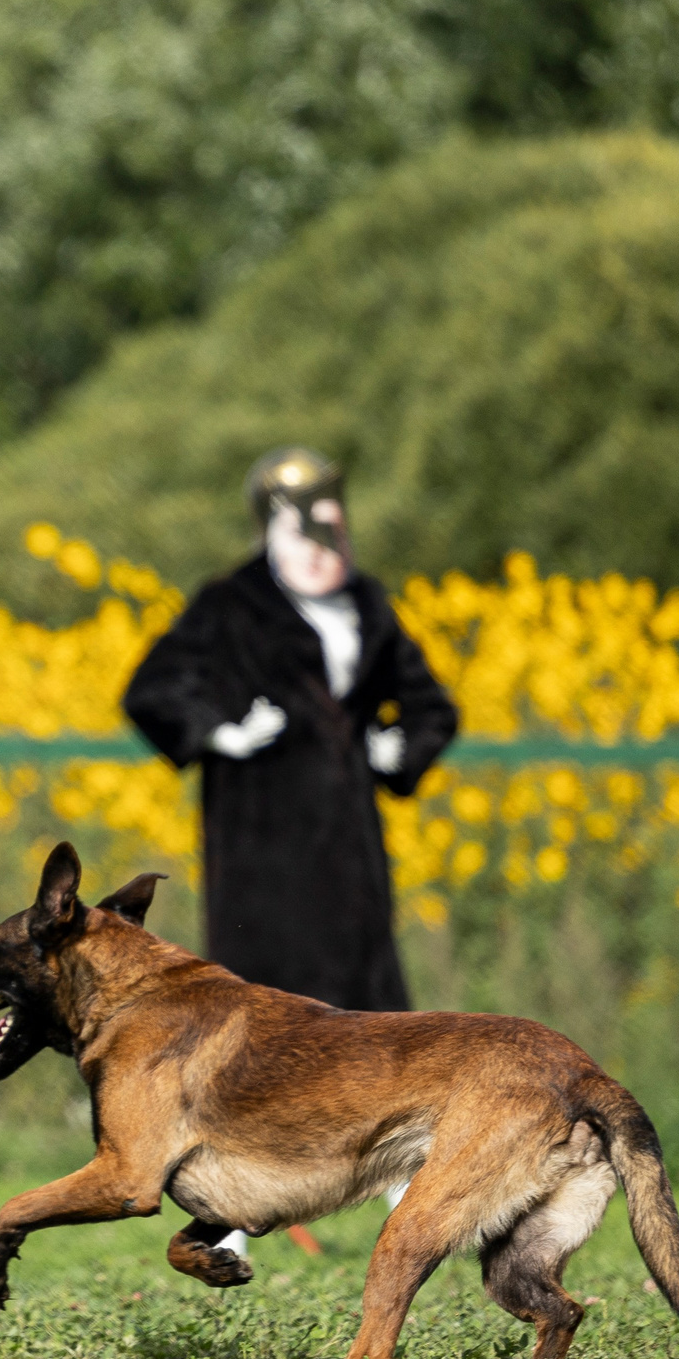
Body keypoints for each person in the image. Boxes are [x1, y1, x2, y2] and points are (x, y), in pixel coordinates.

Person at [123, 449, 458, 1239]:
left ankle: (402, 1179)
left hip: (350, 849)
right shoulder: (227, 605)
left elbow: (429, 703)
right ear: (269, 527)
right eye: (300, 526)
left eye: (329, 526)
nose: (320, 543)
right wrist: (224, 733)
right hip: (260, 847)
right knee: (260, 1025)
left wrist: (396, 749)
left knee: (374, 1014)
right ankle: (234, 1208)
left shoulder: (366, 603)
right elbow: (153, 689)